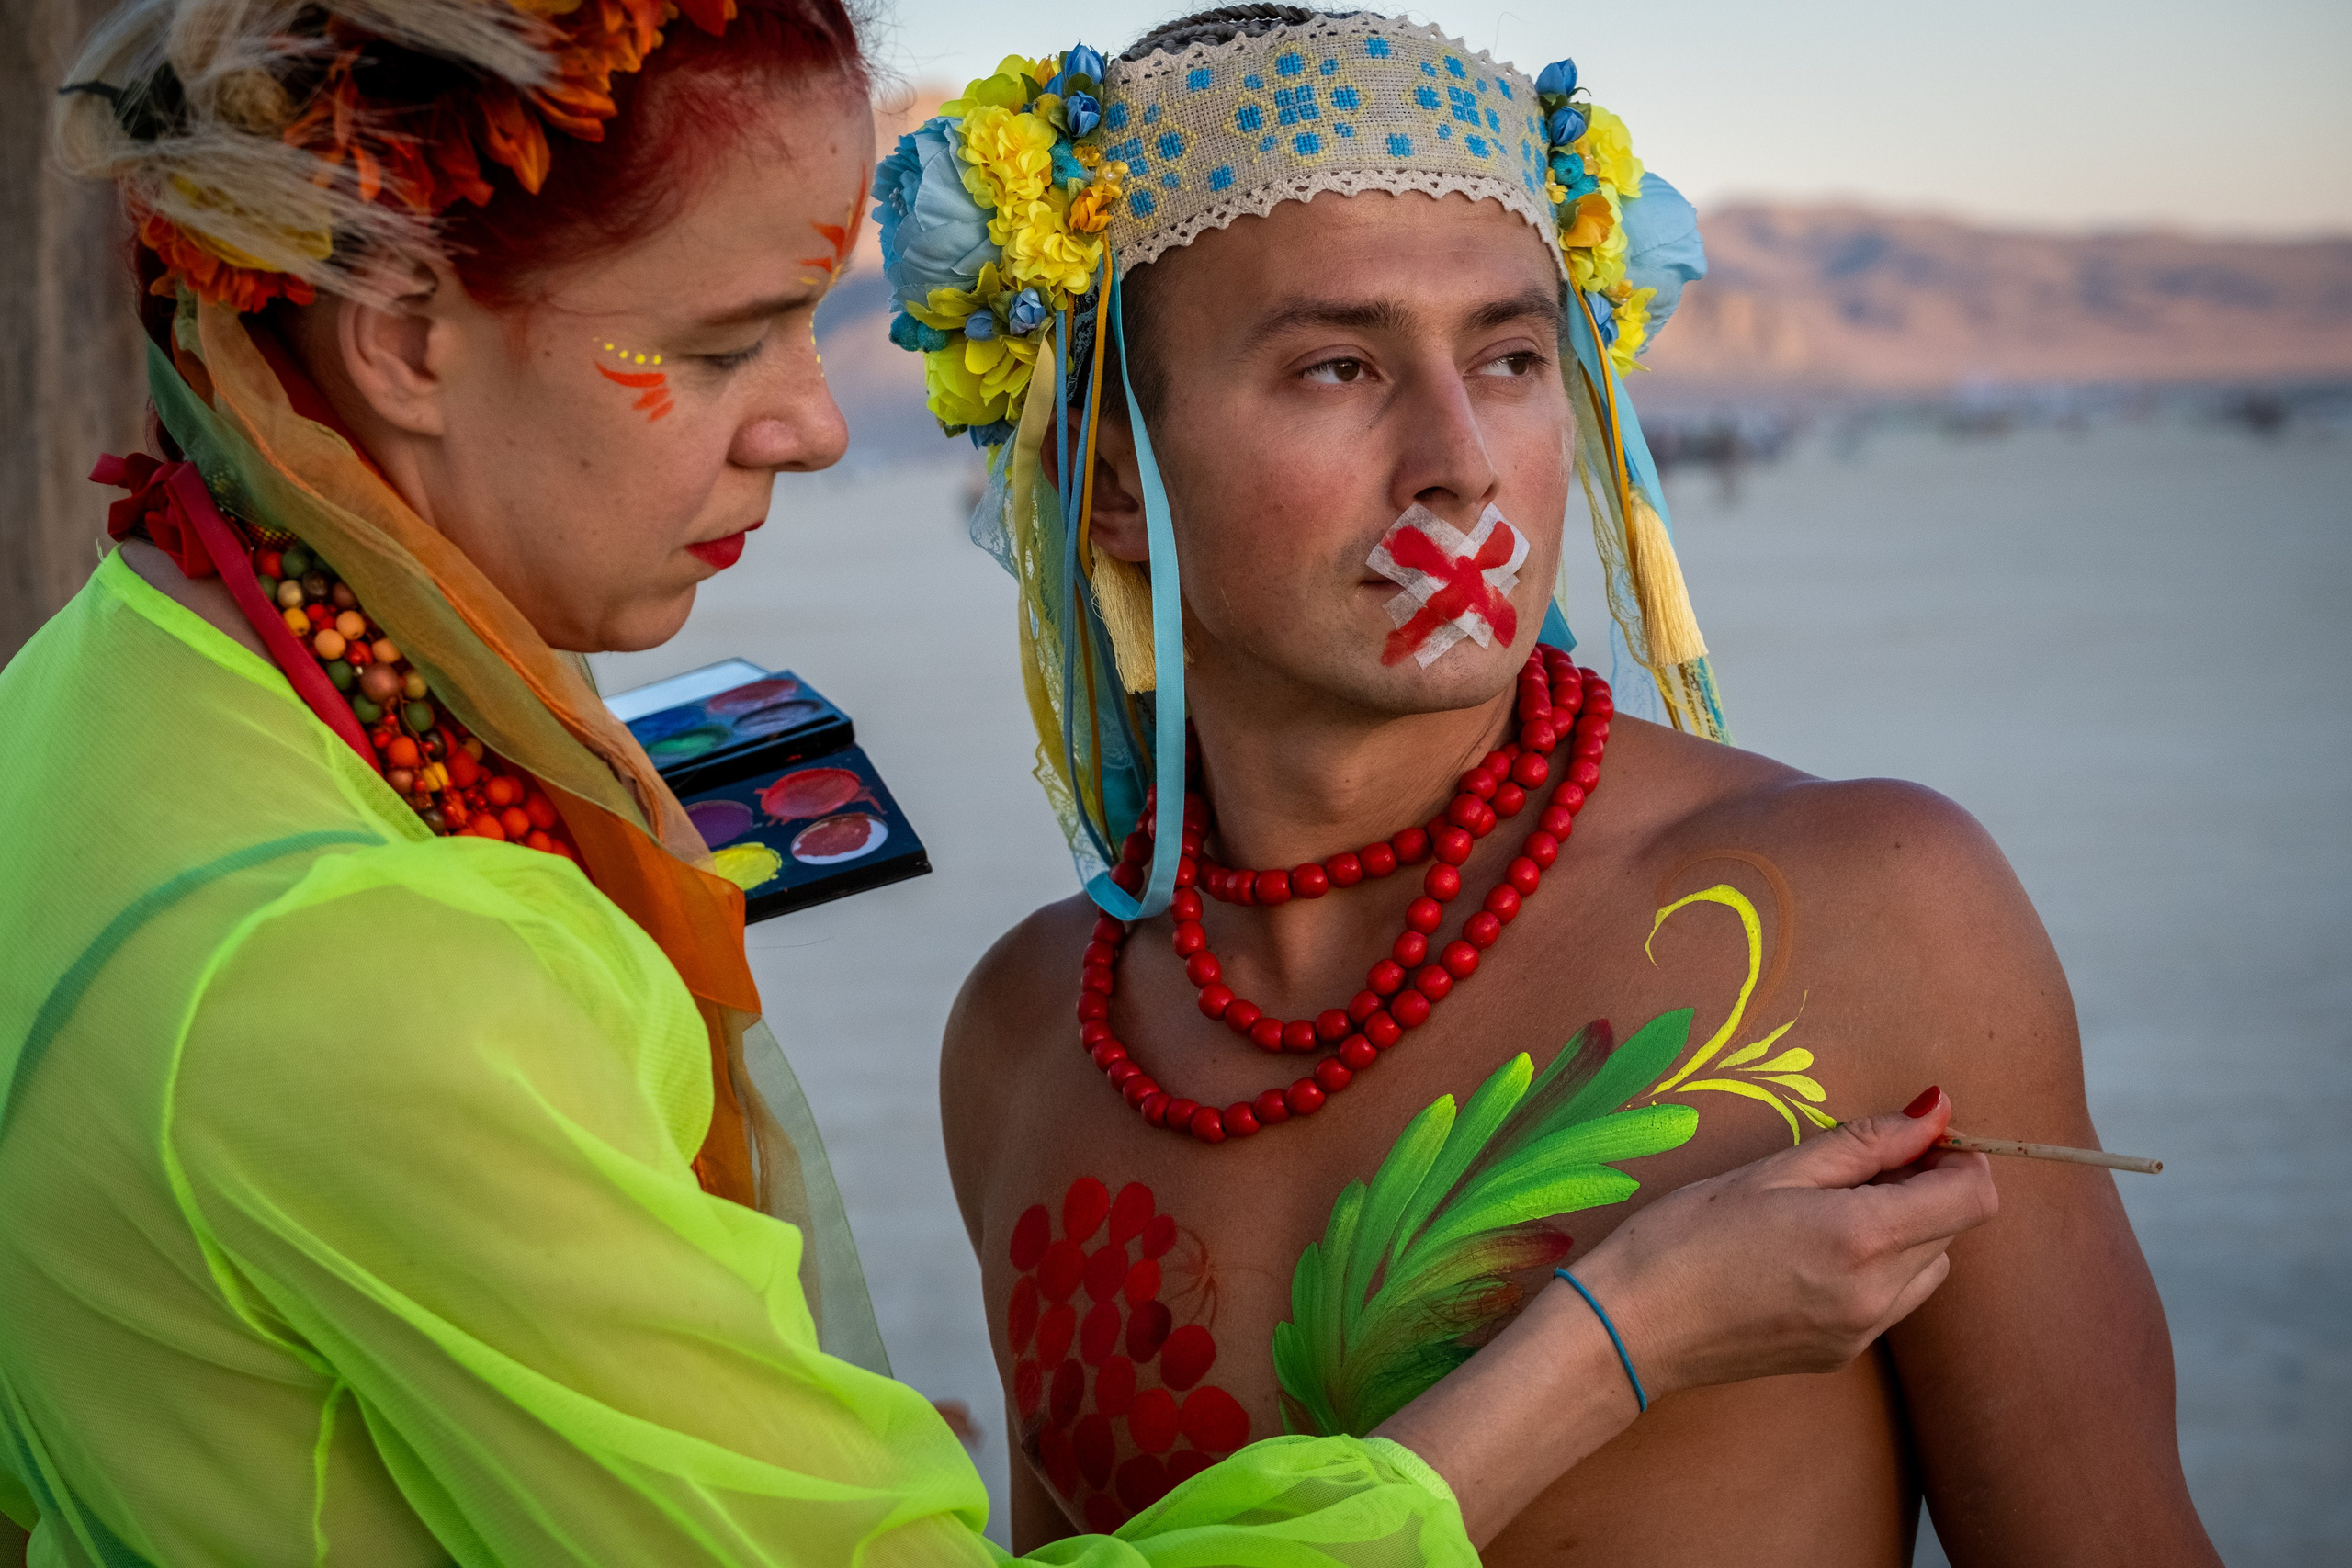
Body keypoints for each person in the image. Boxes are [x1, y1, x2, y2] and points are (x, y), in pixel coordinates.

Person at [1, 2, 1994, 1562]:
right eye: (715, 347)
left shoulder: (94, 712)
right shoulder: (1008, 1031)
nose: (804, 417)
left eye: (1517, 352)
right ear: (401, 333)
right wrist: (1609, 1341)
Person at [919, 8, 2222, 1564]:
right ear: (1110, 483)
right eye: (1339, 366)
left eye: (1513, 358)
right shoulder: (1028, 1036)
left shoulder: (1874, 908)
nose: (1461, 458)